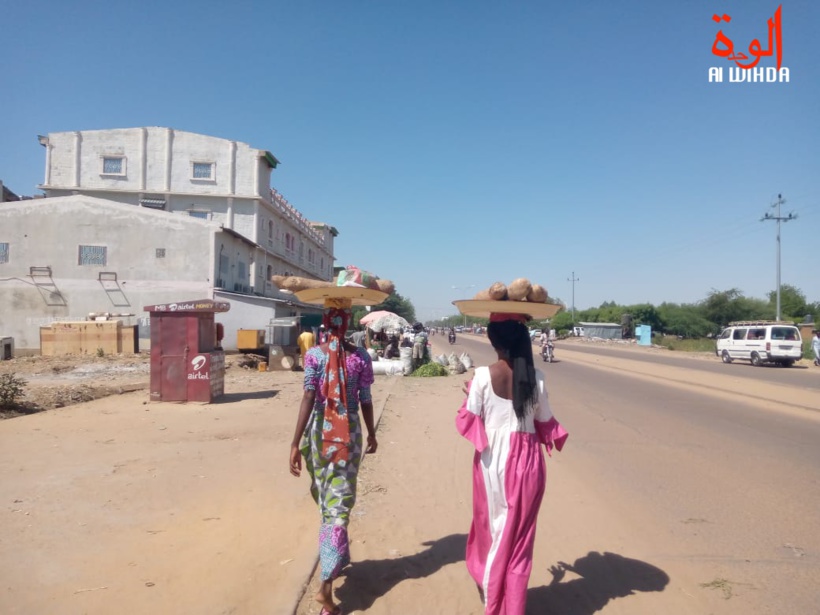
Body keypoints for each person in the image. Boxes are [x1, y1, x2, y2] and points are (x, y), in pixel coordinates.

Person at [455, 309, 567, 615]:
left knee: (493, 533)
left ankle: (493, 599)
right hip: (529, 462)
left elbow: (471, 418)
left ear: (493, 341)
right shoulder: (537, 378)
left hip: (495, 462)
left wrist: (470, 397)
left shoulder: (481, 376)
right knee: (519, 541)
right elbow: (544, 421)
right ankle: (512, 605)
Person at [289, 279, 386, 615]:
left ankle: (338, 556)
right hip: (348, 438)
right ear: (346, 323)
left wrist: (294, 441)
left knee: (329, 496)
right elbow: (366, 400)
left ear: (325, 322)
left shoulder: (313, 355)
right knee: (339, 506)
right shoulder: (360, 357)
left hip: (317, 435)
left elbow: (307, 398)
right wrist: (371, 433)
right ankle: (326, 590)